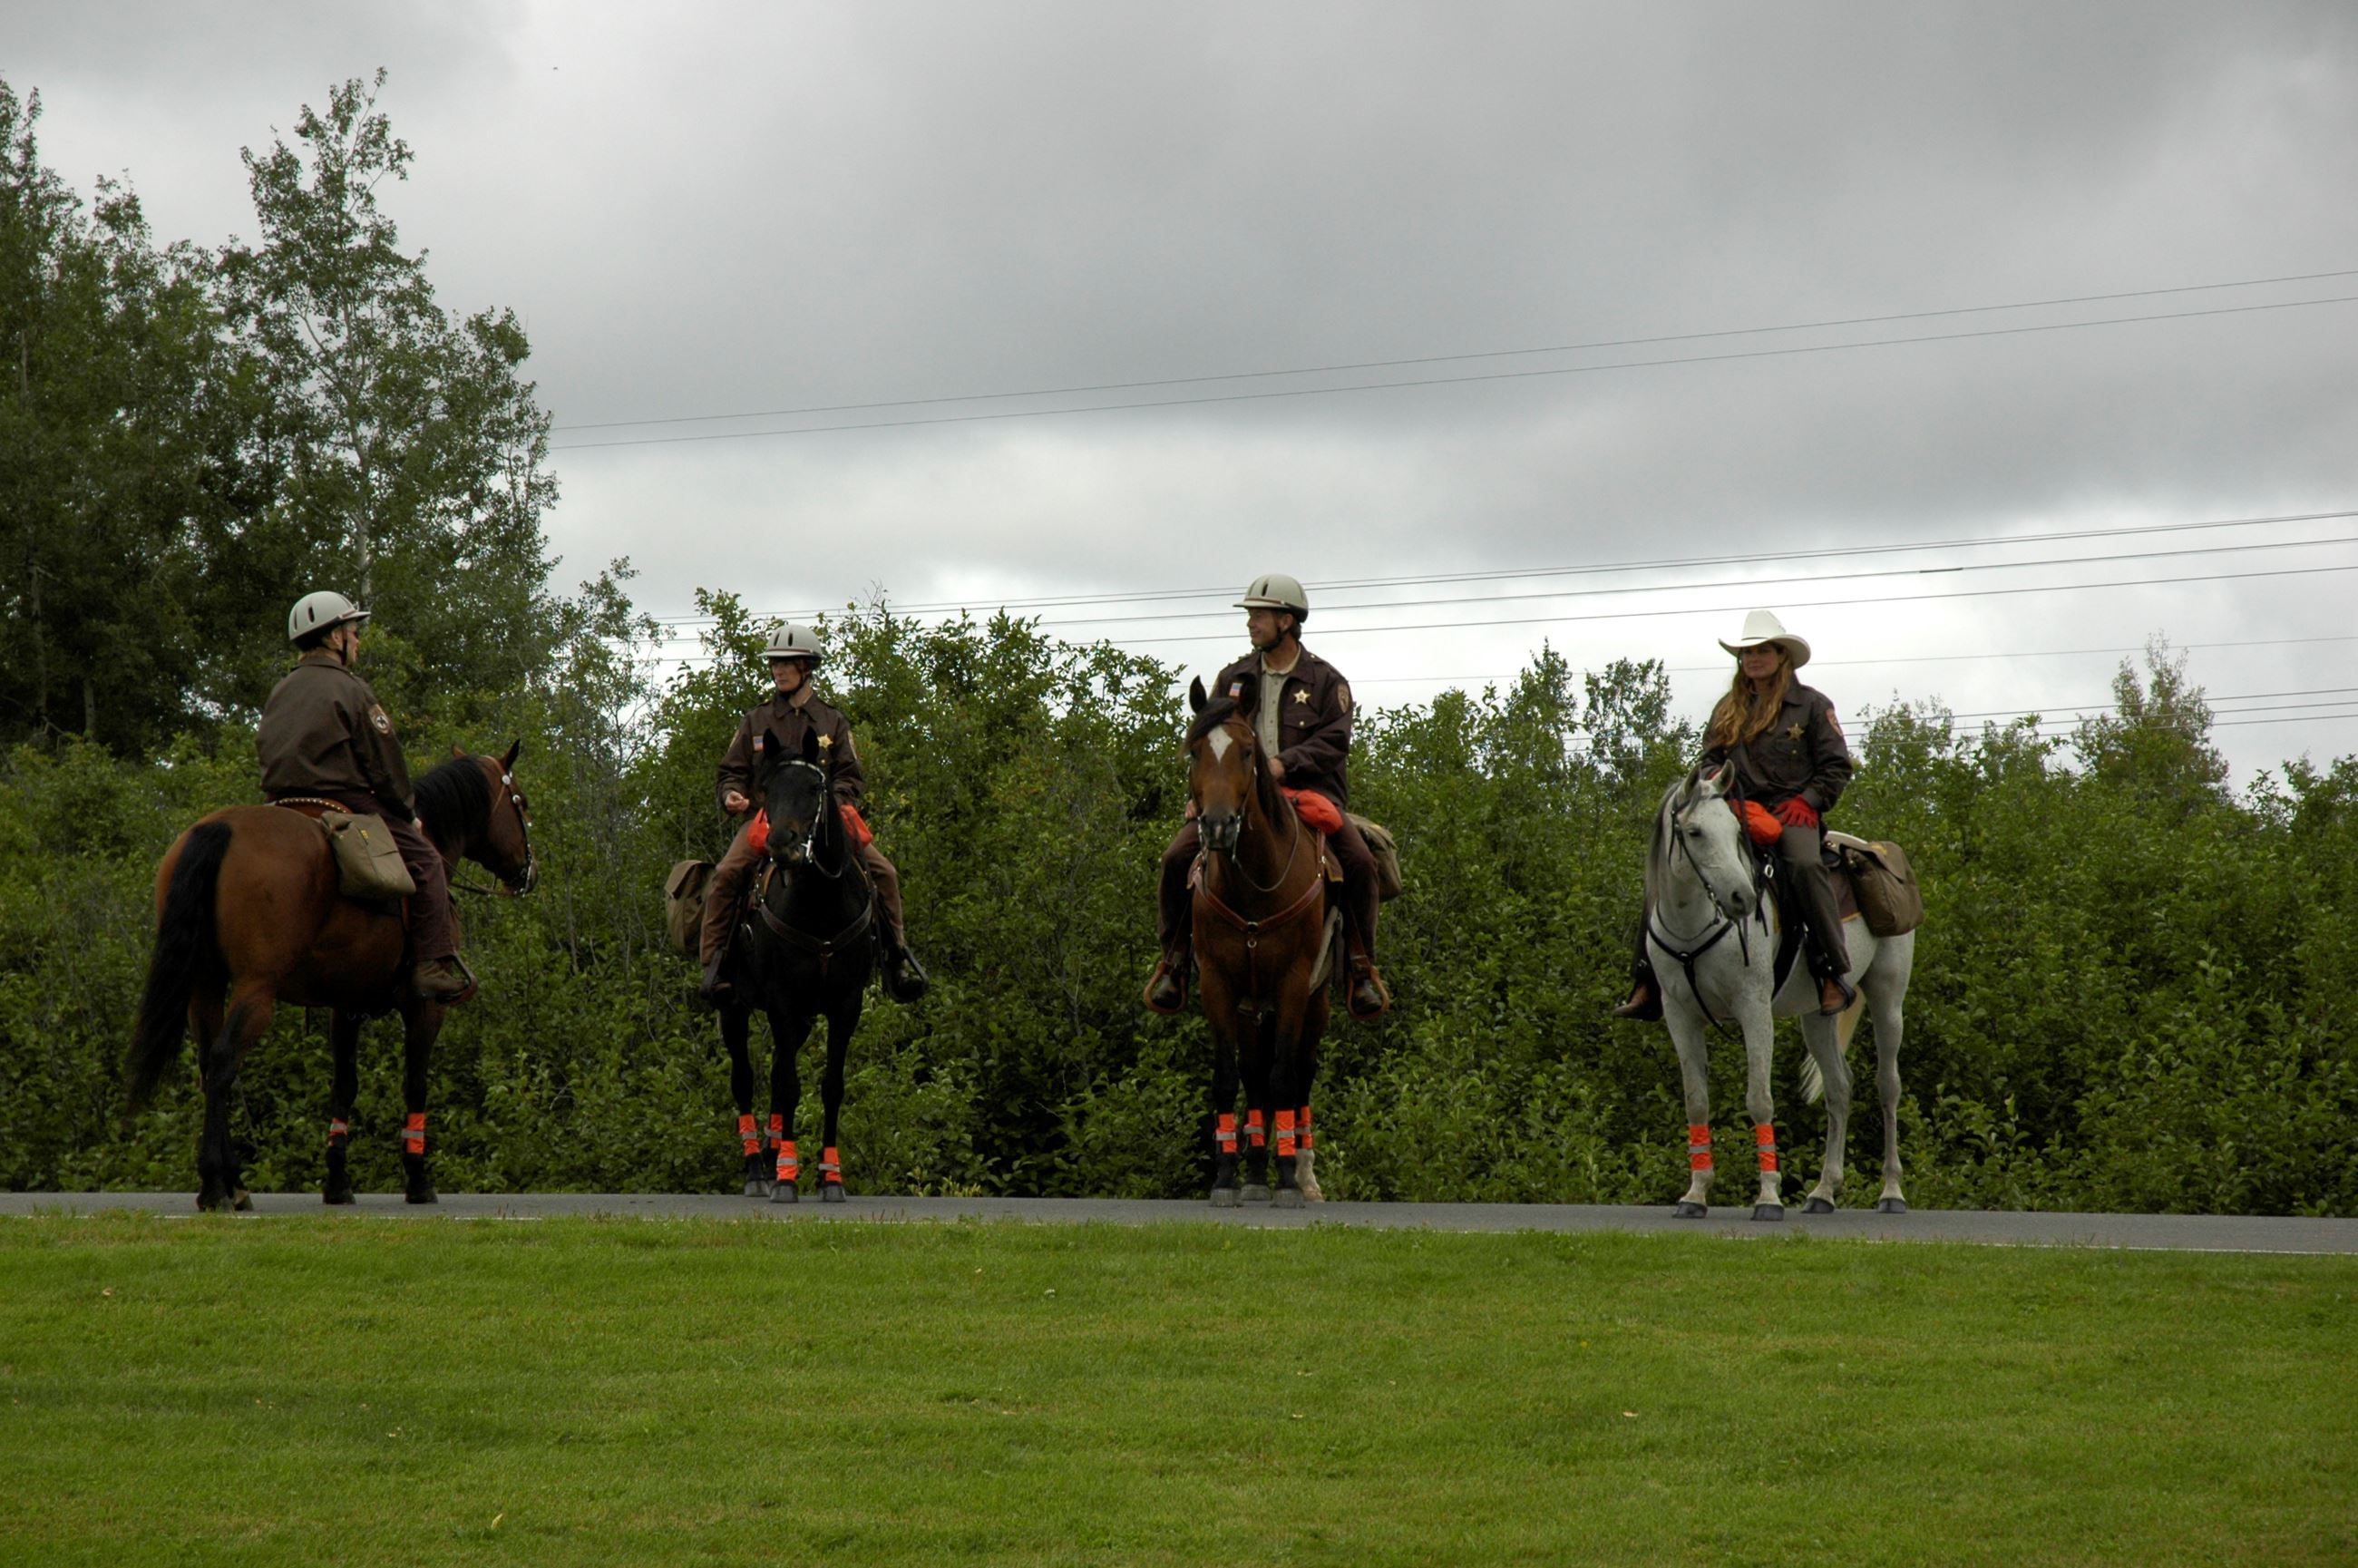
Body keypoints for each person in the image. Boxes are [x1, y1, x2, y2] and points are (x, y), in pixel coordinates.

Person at [1145, 571, 1389, 1019]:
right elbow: (1209, 742)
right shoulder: (1232, 677)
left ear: (1287, 621)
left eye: (1260, 615)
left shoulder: (1325, 681)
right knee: (1175, 859)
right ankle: (1175, 962)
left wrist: (1282, 765)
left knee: (1359, 862)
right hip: (1236, 798)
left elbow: (1335, 742)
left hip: (1308, 796)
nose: (1251, 623)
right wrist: (1205, 795)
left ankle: (1360, 967)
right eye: (1251, 615)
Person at [1611, 609, 1856, 1020]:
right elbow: (1709, 759)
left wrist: (1808, 801)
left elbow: (1837, 767)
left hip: (1793, 815)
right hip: (1736, 809)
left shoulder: (1812, 706)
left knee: (1804, 864)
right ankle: (1647, 981)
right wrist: (1719, 788)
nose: (1753, 659)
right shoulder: (1729, 707)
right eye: (1746, 653)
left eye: (1761, 651)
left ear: (1782, 657)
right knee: (1670, 869)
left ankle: (1831, 970)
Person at [698, 622, 928, 1005]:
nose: (778, 670)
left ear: (808, 667)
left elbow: (849, 774)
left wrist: (831, 806)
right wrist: (731, 795)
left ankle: (896, 961)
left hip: (825, 821)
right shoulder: (756, 720)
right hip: (766, 820)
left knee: (884, 872)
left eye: (788, 663)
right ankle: (715, 966)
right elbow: (731, 772)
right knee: (725, 875)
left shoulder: (832, 721)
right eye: (775, 663)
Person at [258, 590, 471, 1000]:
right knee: (427, 861)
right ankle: (430, 964)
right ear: (335, 638)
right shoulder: (351, 688)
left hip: (279, 801)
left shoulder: (280, 691)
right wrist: (406, 811)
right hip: (343, 797)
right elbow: (384, 762)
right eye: (353, 632)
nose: (356, 640)